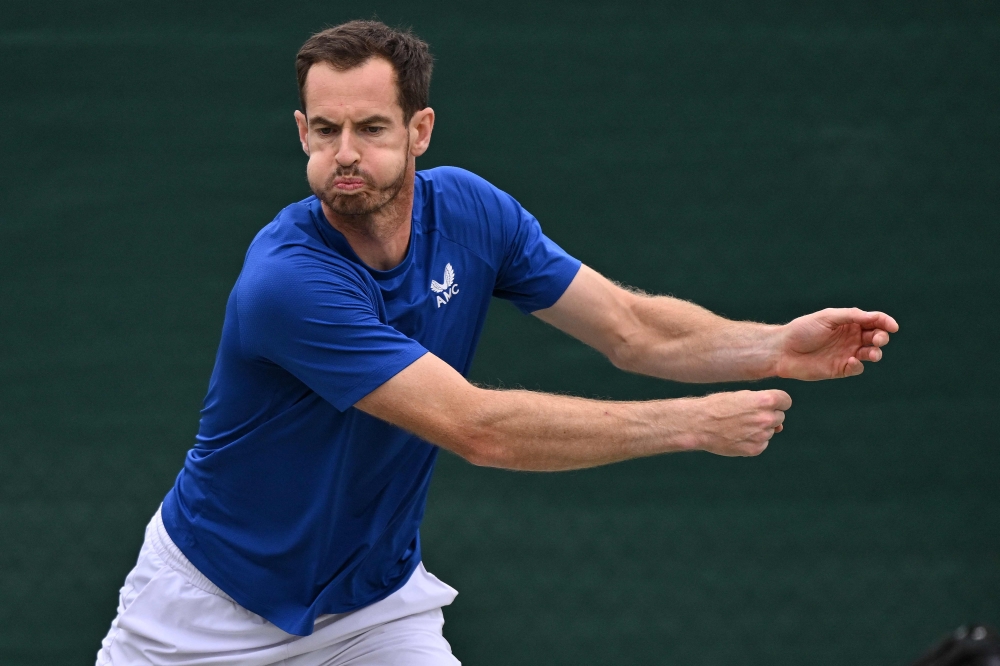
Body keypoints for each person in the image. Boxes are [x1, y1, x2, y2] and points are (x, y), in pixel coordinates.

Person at [95, 19, 899, 666]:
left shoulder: (474, 214)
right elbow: (479, 429)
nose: (346, 154)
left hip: (373, 609)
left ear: (421, 129)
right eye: (327, 129)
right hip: (205, 614)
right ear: (302, 130)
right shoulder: (289, 282)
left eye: (372, 128)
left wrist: (772, 346)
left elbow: (627, 326)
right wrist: (690, 425)